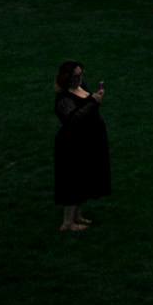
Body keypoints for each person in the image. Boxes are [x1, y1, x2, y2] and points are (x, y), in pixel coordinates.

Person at [51, 61, 110, 232]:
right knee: (72, 181)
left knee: (83, 179)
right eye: (75, 76)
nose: (79, 78)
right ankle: (68, 223)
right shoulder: (64, 99)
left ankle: (77, 216)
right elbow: (72, 119)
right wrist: (94, 101)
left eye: (81, 74)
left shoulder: (81, 87)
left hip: (87, 141)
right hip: (72, 145)